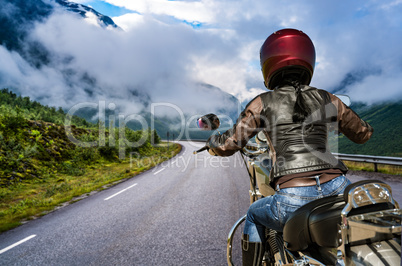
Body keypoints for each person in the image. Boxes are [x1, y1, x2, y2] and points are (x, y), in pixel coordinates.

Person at [206, 28, 373, 266]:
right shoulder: (327, 98)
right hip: (338, 187)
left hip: (293, 195)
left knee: (254, 213)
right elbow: (362, 134)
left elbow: (231, 142)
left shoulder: (262, 102)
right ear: (307, 59)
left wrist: (213, 142)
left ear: (268, 63)